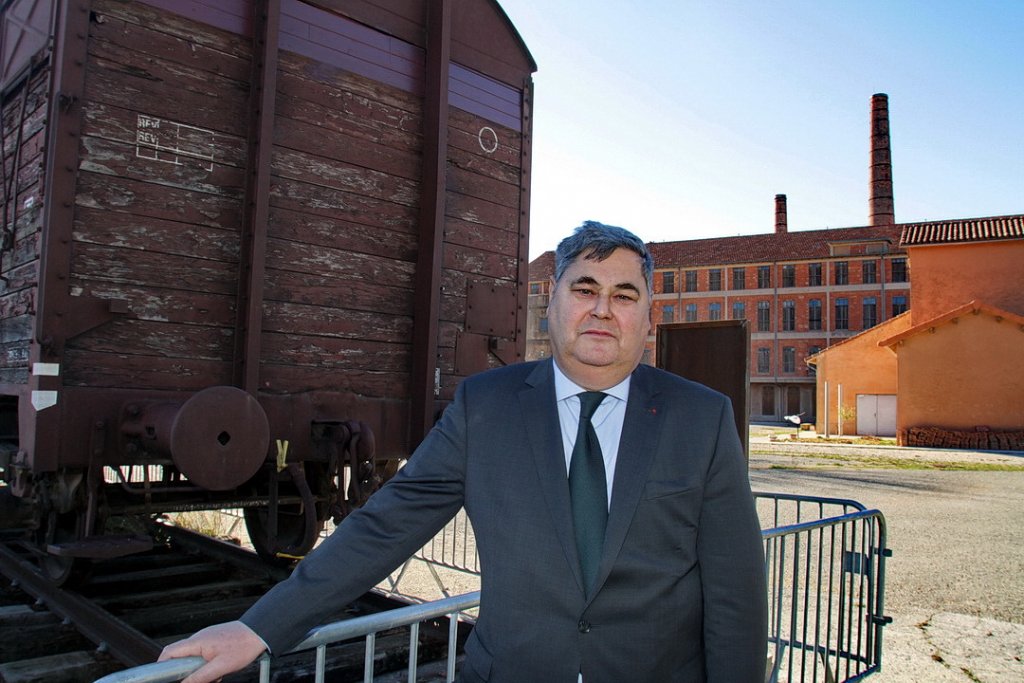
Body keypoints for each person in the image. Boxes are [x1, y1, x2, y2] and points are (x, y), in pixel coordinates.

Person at [160, 220, 768, 682]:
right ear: (551, 303)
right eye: (584, 288)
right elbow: (383, 527)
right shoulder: (486, 408)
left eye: (625, 294)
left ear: (648, 316)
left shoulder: (701, 416)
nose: (603, 309)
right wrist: (260, 628)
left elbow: (735, 585)